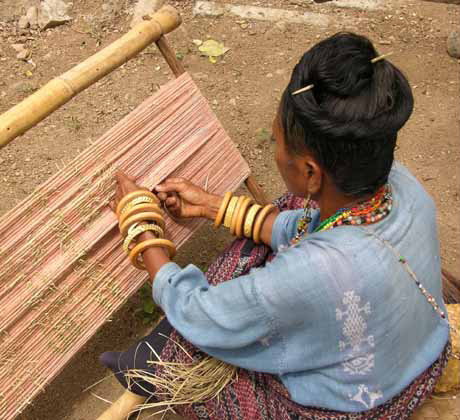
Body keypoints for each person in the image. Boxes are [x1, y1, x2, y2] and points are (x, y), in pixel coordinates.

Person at [97, 32, 452, 420]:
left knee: (186, 356)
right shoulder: (403, 184)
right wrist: (215, 206)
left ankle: (149, 362)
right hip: (424, 358)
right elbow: (303, 227)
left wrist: (142, 225)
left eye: (277, 143)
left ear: (311, 171)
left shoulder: (310, 272)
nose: (276, 152)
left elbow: (198, 313)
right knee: (295, 210)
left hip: (366, 406)